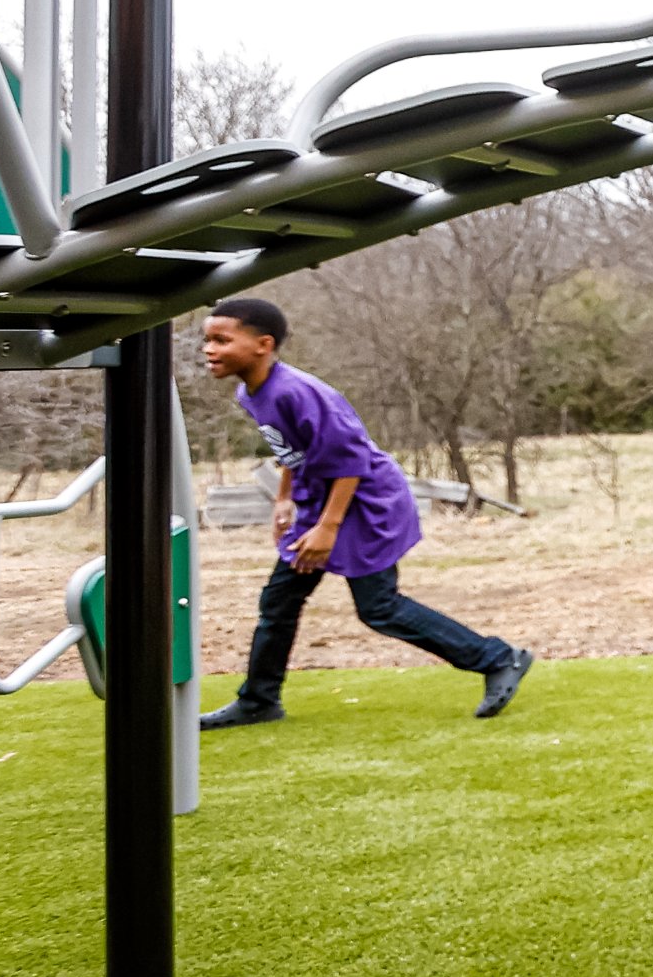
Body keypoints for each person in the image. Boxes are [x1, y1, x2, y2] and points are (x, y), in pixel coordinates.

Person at [194, 295, 536, 728]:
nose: (209, 349)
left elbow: (351, 459)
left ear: (263, 344)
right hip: (323, 502)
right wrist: (285, 499)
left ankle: (499, 658)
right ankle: (259, 701)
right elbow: (289, 449)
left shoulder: (297, 392)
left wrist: (328, 528)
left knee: (379, 608)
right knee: (279, 601)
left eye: (221, 340)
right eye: (206, 340)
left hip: (365, 503)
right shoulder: (251, 392)